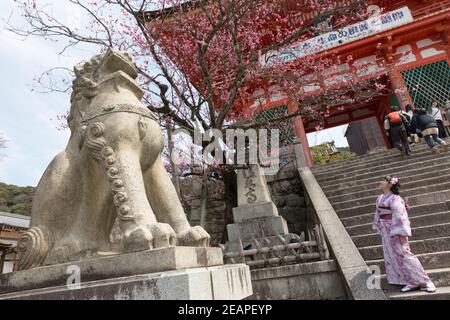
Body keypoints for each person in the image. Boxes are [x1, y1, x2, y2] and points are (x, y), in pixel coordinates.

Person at [373, 175, 436, 293]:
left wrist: (402, 234)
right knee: (393, 258)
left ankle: (427, 280)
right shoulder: (380, 198)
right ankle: (411, 282)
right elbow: (379, 214)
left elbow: (401, 217)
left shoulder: (395, 199)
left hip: (396, 232)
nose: (379, 181)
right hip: (386, 232)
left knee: (405, 255)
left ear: (390, 184)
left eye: (383, 180)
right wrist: (381, 228)